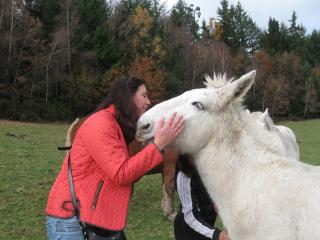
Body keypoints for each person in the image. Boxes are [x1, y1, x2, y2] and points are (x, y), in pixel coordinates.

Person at [45, 76, 184, 240]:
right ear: (128, 97)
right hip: (72, 220)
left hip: (96, 219)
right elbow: (121, 174)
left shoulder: (118, 126)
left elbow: (130, 174)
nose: (148, 102)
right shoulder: (101, 124)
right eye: (144, 95)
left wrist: (151, 145)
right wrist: (158, 145)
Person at [174, 155, 229, 240]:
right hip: (188, 232)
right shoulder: (184, 177)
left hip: (207, 226)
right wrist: (216, 234)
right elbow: (190, 216)